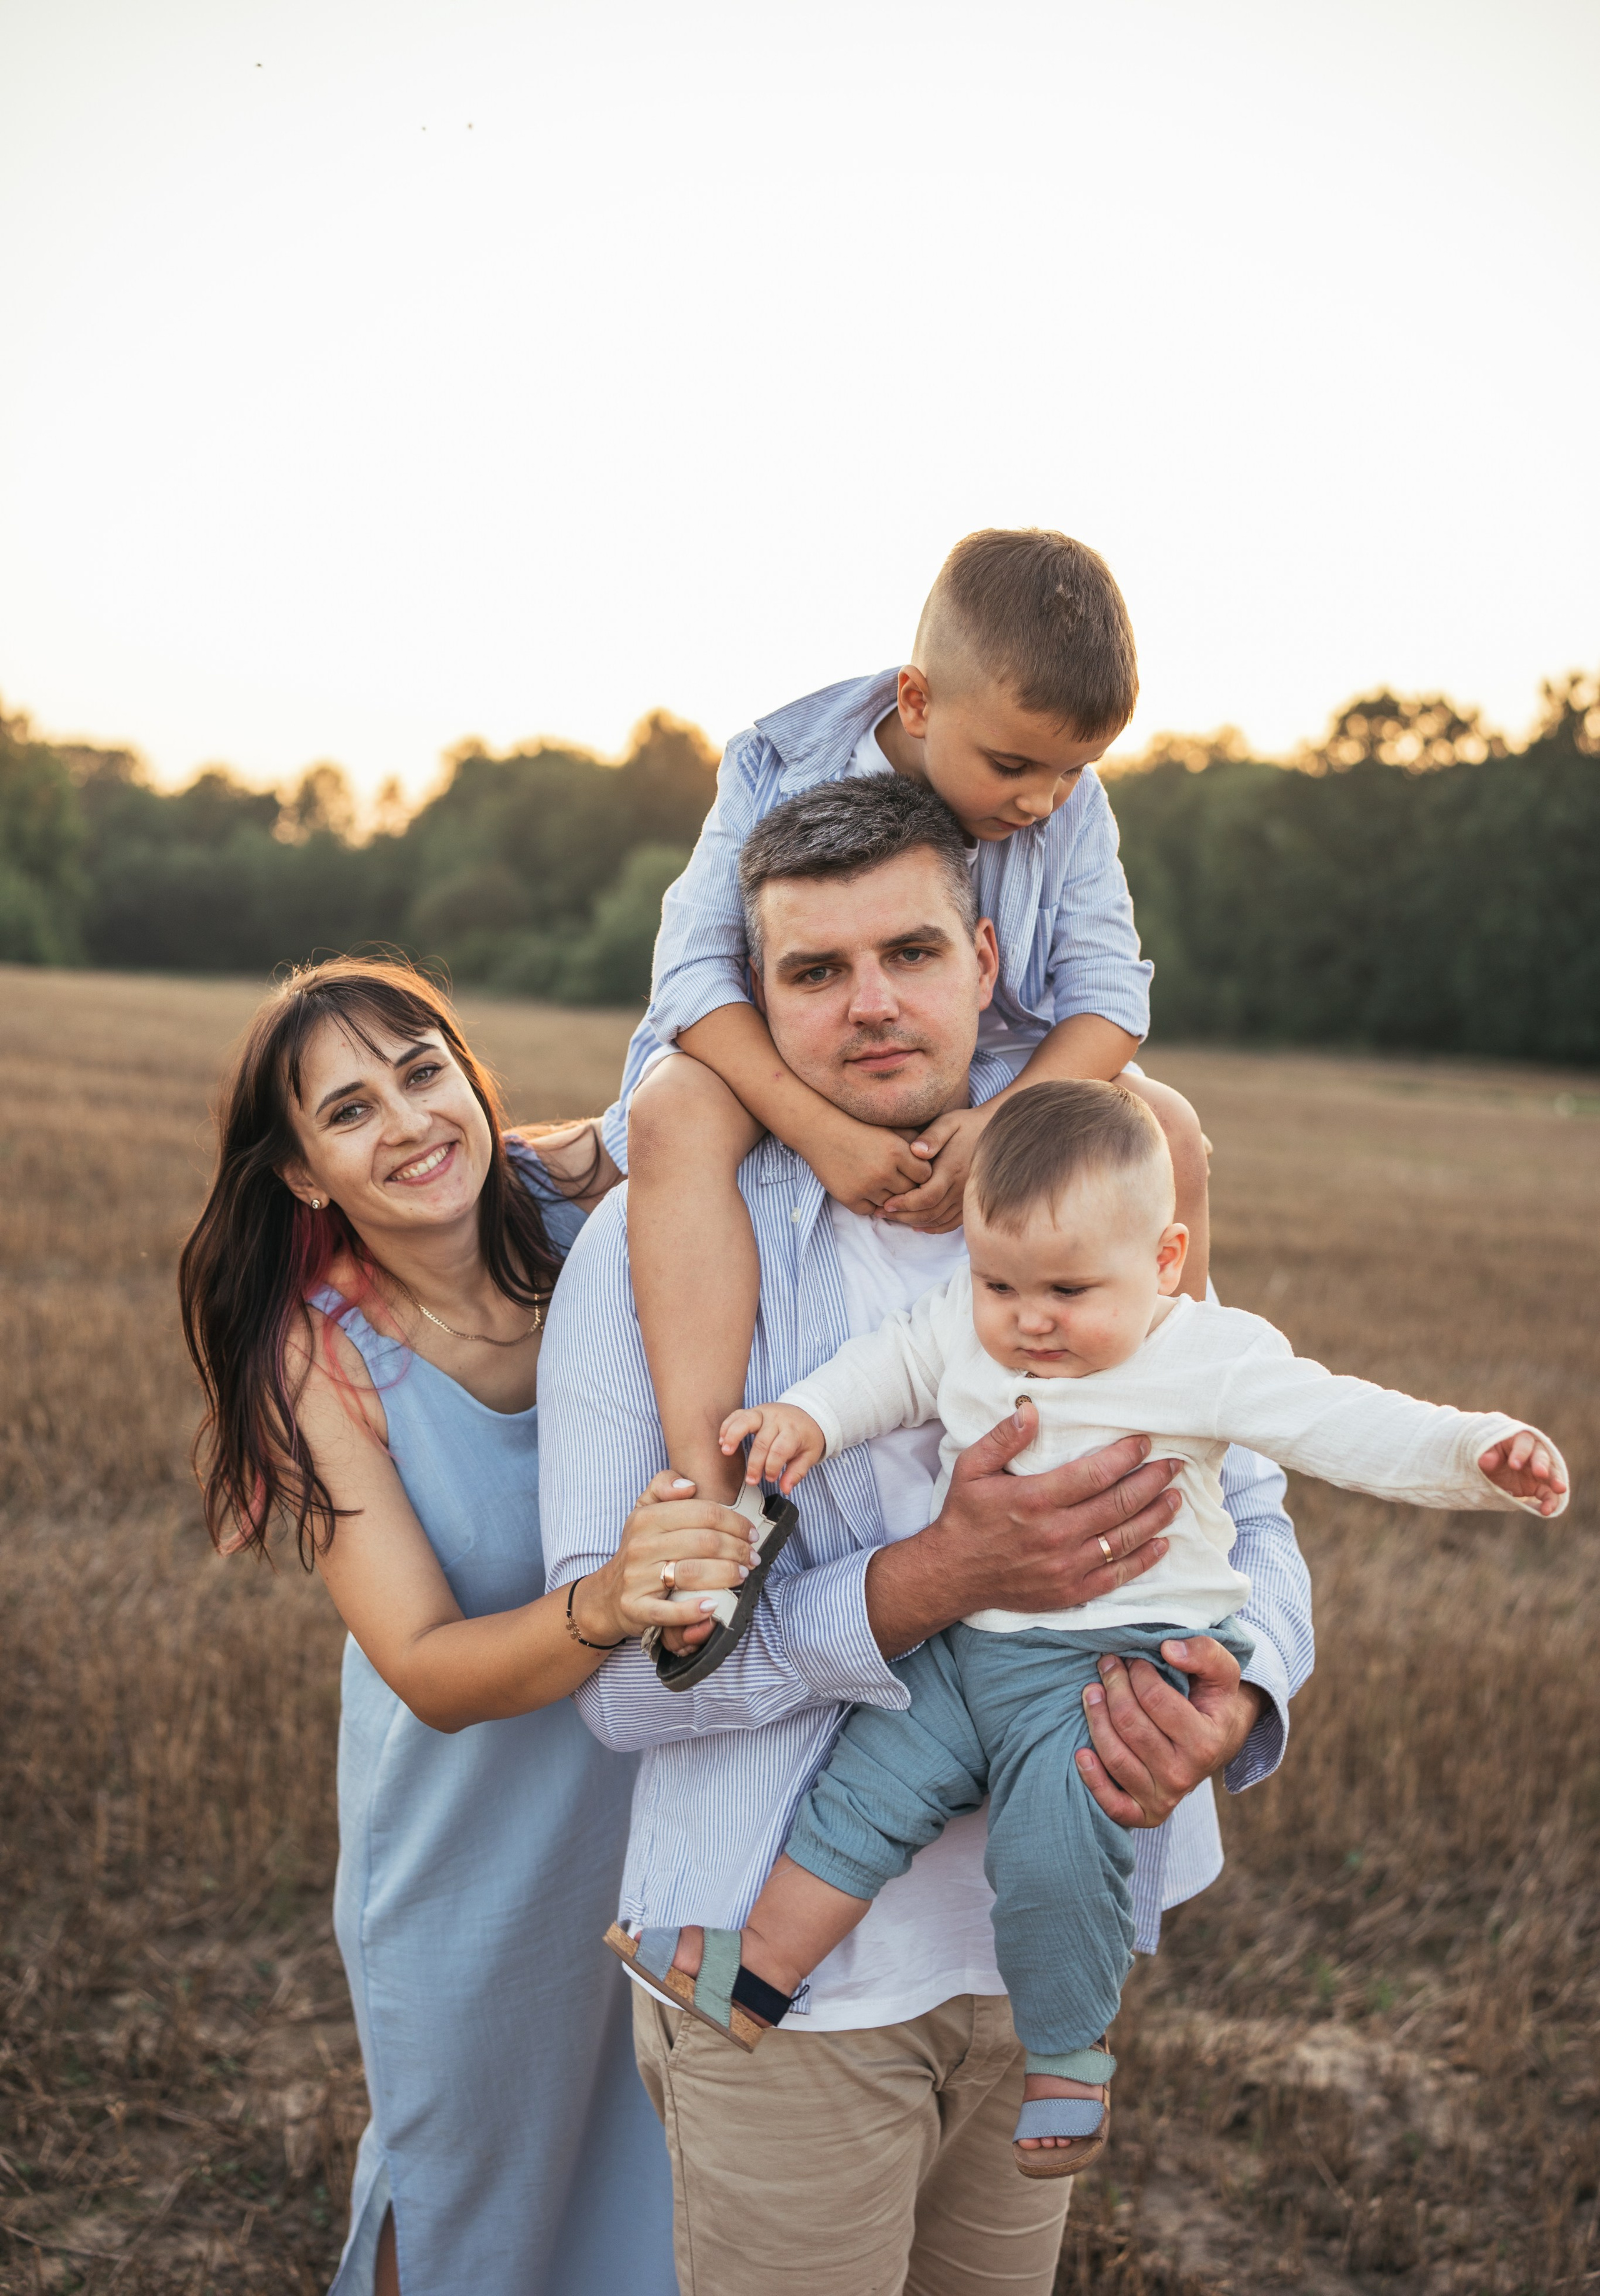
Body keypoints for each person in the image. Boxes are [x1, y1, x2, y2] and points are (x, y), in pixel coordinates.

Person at [539, 776, 1315, 2296]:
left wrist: (1239, 1698)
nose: (869, 1006)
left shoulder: (1100, 1207)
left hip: (1042, 1969)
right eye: (812, 974)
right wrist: (934, 1580)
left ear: (982, 956)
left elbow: (1260, 1508)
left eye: (906, 953)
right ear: (755, 1005)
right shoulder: (665, 1260)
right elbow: (624, 1685)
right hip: (788, 2003)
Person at [623, 1077, 1567, 2180]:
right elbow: (894, 1366)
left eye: (1069, 1290)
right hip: (965, 1646)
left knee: (1057, 1845)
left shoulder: (1209, 1354)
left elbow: (1344, 1421)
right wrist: (809, 1419)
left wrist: (1479, 1454)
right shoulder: (975, 1329)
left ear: (1166, 1263)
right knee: (864, 1790)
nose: (1029, 1319)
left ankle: (1068, 2054)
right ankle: (759, 1968)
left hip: (1109, 1667)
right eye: (998, 1283)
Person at [179, 957, 757, 2296]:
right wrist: (609, 1602)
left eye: (423, 1071)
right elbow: (429, 1670)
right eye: (349, 1110)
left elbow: (729, 1076)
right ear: (306, 1175)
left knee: (644, 2191)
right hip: (463, 1839)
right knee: (464, 2191)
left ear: (472, 1079)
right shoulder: (315, 1356)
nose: (410, 1122)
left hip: (658, 1810)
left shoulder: (593, 1211)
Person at [609, 530, 1214, 1591]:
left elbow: (1111, 999)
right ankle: (713, 1493)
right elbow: (692, 979)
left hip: (995, 1067)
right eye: (1014, 766)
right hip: (777, 1059)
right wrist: (820, 1133)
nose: (1041, 801)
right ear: (919, 701)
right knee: (675, 1113)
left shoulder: (1072, 807)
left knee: (1165, 1126)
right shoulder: (777, 758)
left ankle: (1175, 1422)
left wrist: (1004, 1124)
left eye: (1075, 770)